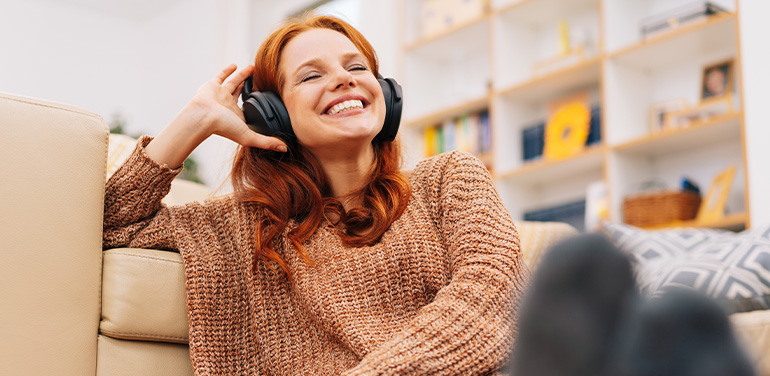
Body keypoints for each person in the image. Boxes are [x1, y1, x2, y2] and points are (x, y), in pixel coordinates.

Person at [102, 14, 528, 375]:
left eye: (357, 68)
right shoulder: (238, 226)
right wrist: (195, 120)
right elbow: (108, 221)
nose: (344, 79)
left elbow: (495, 298)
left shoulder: (448, 178)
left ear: (387, 94)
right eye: (312, 75)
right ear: (272, 115)